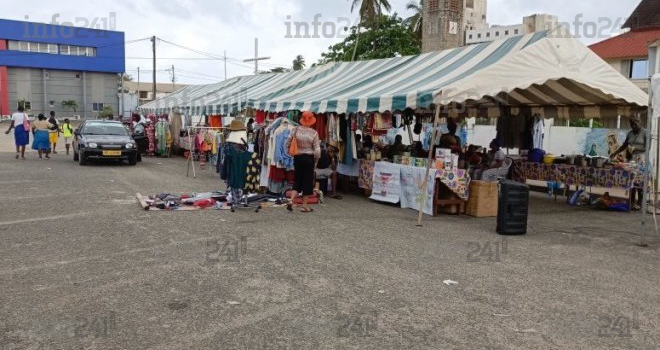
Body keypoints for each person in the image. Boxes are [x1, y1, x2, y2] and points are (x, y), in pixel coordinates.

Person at [287, 111, 321, 213]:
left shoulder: (295, 130)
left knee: (297, 179)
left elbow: (287, 142)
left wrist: (289, 153)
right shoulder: (314, 133)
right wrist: (316, 160)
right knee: (307, 181)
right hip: (308, 159)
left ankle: (291, 200)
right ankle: (304, 206)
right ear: (311, 121)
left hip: (297, 158)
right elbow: (317, 149)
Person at [610, 115, 647, 210]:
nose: (633, 126)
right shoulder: (630, 133)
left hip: (641, 159)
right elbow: (624, 145)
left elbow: (647, 148)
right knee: (632, 180)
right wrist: (615, 153)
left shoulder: (645, 132)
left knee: (640, 181)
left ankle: (640, 202)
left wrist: (636, 148)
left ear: (639, 123)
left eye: (635, 124)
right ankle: (632, 201)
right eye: (631, 125)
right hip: (632, 160)